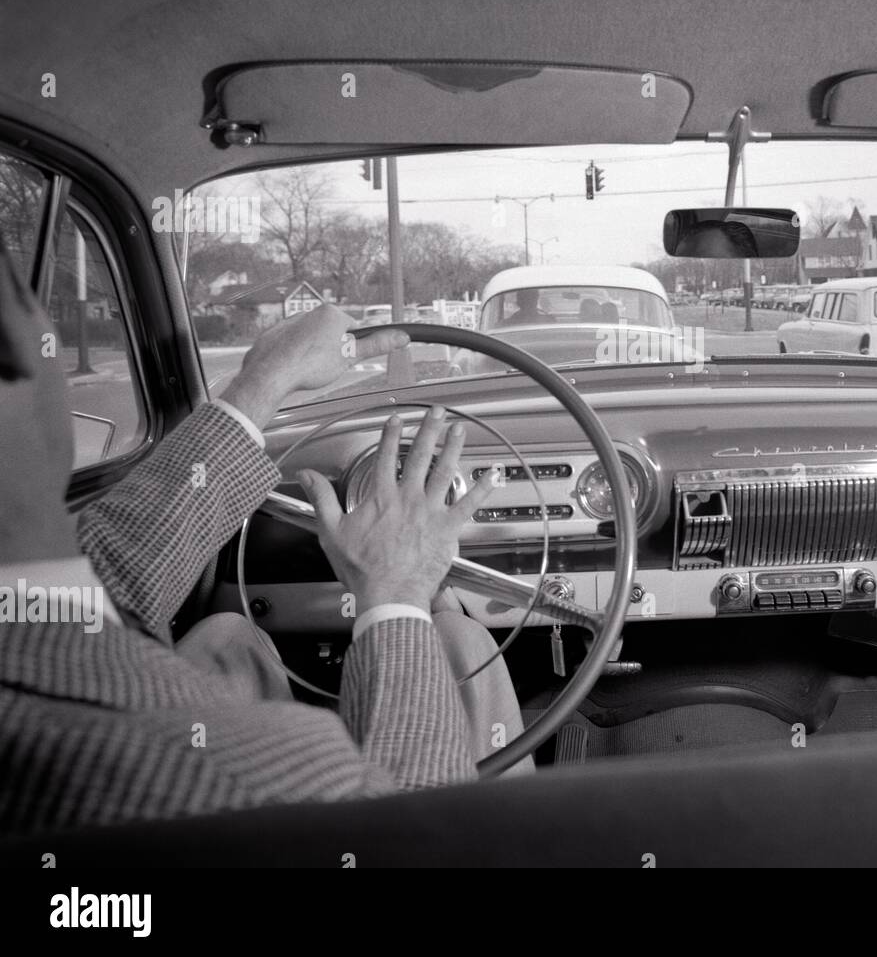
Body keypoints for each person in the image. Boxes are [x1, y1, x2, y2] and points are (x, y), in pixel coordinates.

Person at [0, 248, 527, 838]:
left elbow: (109, 579)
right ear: (16, 340)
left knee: (227, 634)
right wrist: (399, 590)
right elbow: (417, 845)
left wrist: (265, 380)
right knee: (458, 639)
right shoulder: (247, 777)